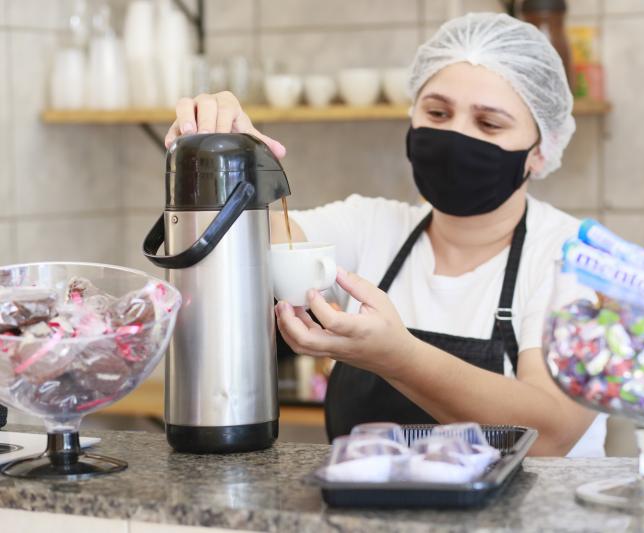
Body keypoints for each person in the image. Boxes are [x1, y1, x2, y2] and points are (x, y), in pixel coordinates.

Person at [164, 13, 606, 456]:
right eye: (437, 112)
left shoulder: (577, 258)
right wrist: (231, 149)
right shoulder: (371, 226)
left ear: (541, 149)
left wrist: (398, 358)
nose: (455, 135)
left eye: (489, 124)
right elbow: (263, 242)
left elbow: (549, 433)